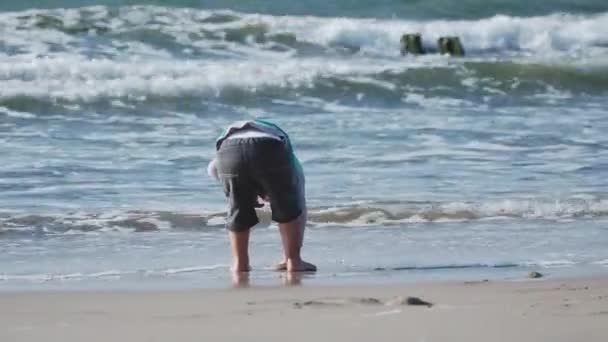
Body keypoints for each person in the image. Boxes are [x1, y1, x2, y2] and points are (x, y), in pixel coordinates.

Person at [208, 119, 316, 274]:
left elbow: (220, 175)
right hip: (267, 146)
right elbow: (297, 199)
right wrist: (278, 198)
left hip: (228, 151)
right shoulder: (292, 162)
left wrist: (245, 196)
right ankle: (293, 260)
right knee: (288, 207)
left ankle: (240, 263)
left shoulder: (216, 161)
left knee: (237, 209)